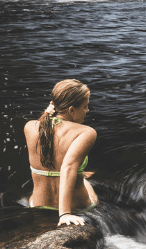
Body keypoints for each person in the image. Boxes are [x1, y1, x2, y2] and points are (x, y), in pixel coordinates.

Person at [24, 79, 97, 226]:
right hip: (77, 206)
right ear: (71, 110)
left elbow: (44, 135)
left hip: (37, 204)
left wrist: (47, 113)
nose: (87, 111)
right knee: (86, 182)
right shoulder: (86, 132)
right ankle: (82, 176)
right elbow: (68, 167)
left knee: (75, 173)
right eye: (85, 106)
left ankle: (81, 175)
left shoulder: (30, 126)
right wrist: (65, 214)